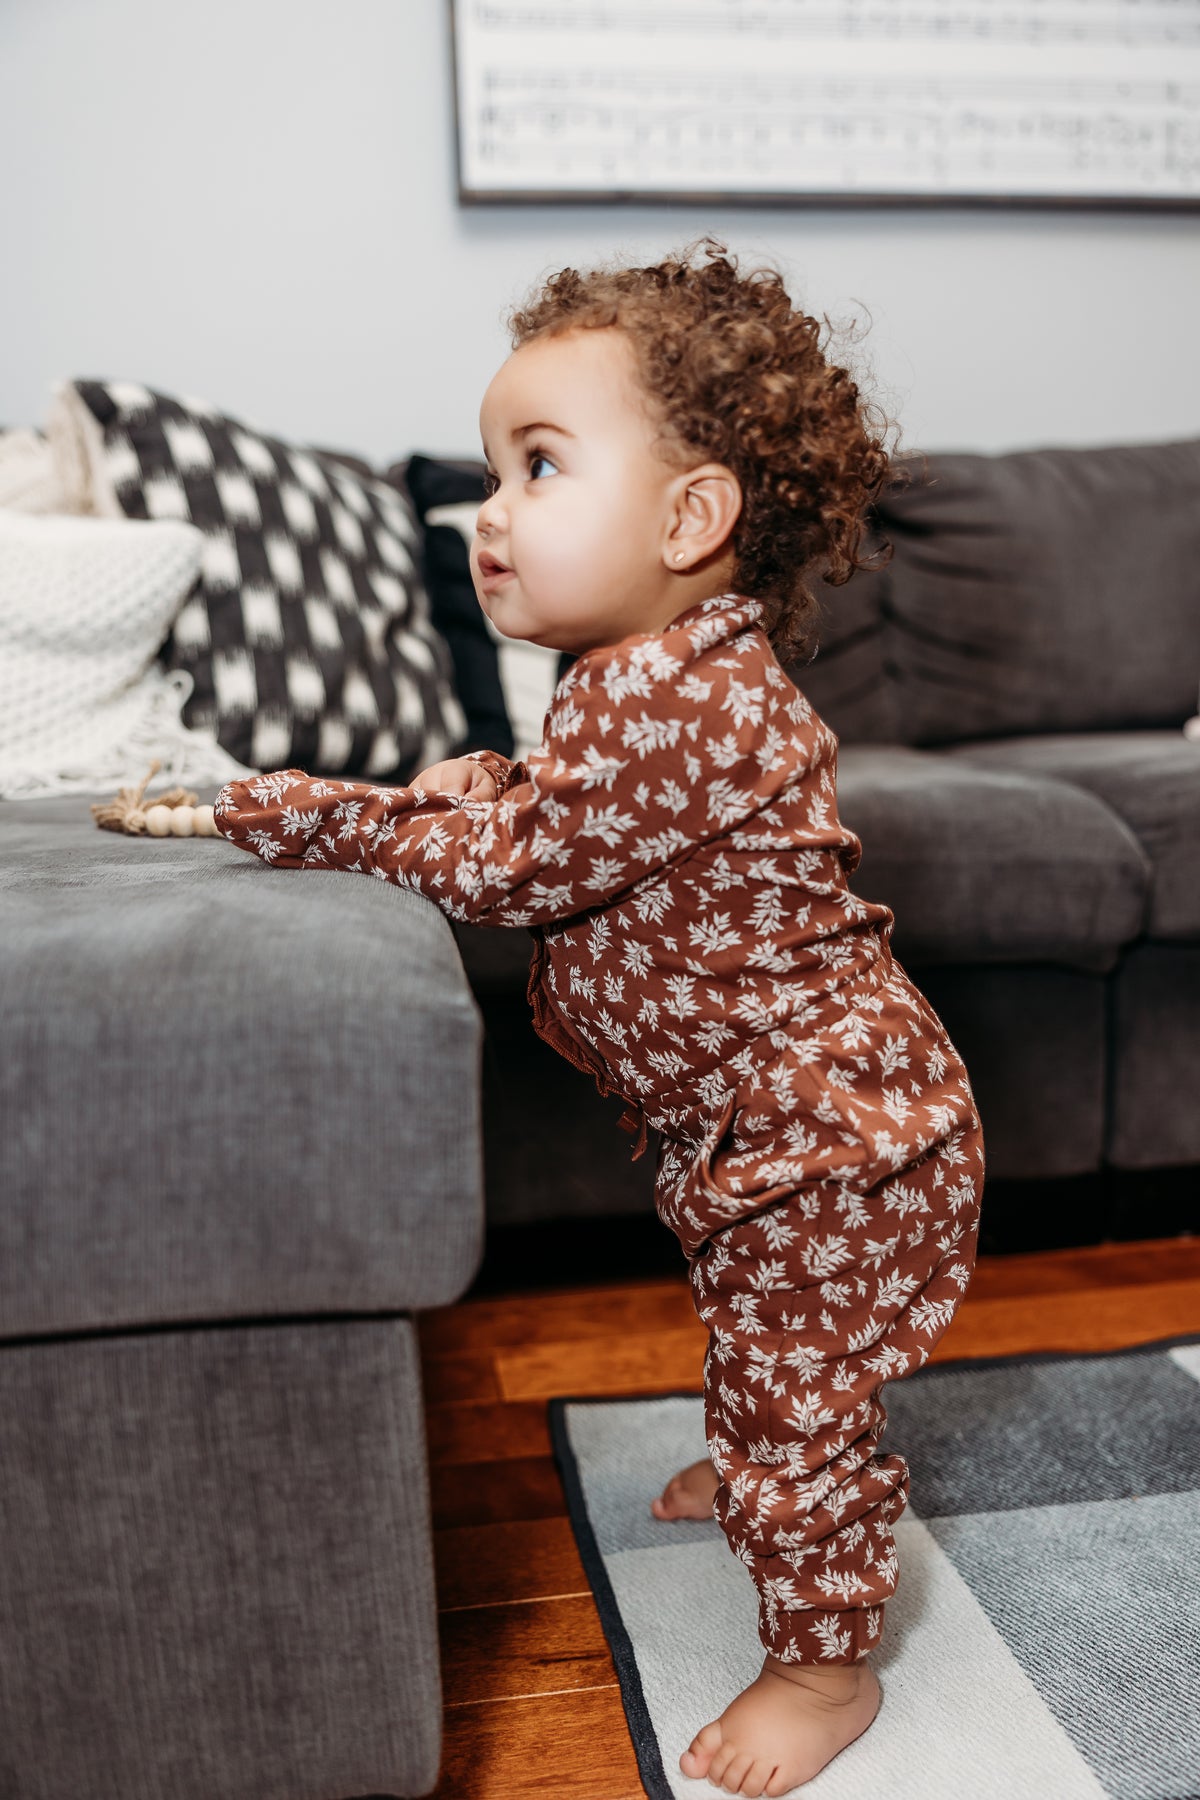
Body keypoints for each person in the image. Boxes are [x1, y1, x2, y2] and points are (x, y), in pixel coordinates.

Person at [214, 239, 985, 1797]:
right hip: (764, 1130)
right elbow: (574, 814)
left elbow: (522, 867)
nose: (490, 513)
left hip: (828, 1139)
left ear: (691, 518)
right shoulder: (636, 681)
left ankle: (827, 1665)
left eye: (539, 466)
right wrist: (489, 778)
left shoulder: (680, 698)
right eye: (495, 467)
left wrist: (318, 814)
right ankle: (769, 1440)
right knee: (771, 1347)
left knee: (804, 1398)